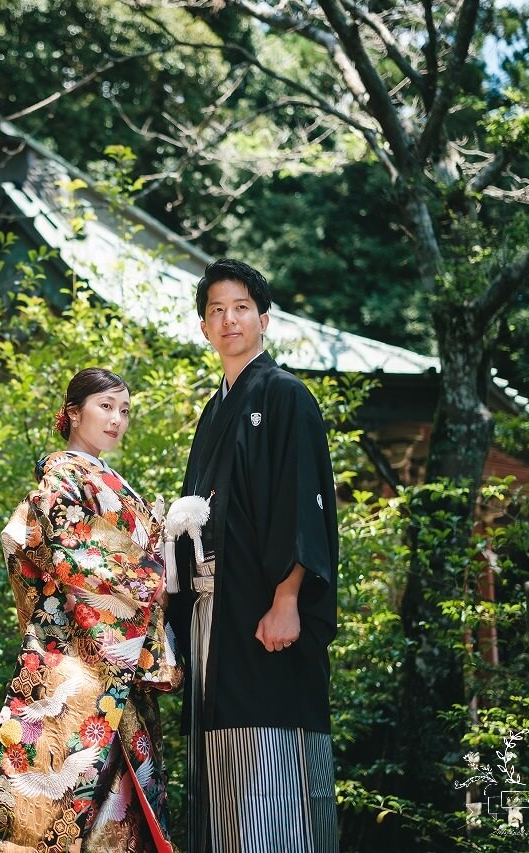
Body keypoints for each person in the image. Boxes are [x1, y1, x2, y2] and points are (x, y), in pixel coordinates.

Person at [0, 367, 181, 853]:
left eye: (124, 410)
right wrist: (152, 577)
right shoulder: (64, 475)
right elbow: (74, 555)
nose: (116, 419)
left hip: (115, 655)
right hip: (77, 653)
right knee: (56, 783)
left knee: (116, 786)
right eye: (105, 406)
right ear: (73, 411)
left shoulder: (104, 477)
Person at [166, 259, 339, 852]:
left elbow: (303, 502)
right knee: (219, 768)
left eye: (241, 308)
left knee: (270, 758)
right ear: (203, 328)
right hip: (213, 615)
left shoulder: (286, 396)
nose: (228, 319)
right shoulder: (213, 412)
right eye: (216, 310)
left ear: (264, 321)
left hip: (266, 610)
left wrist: (289, 596)